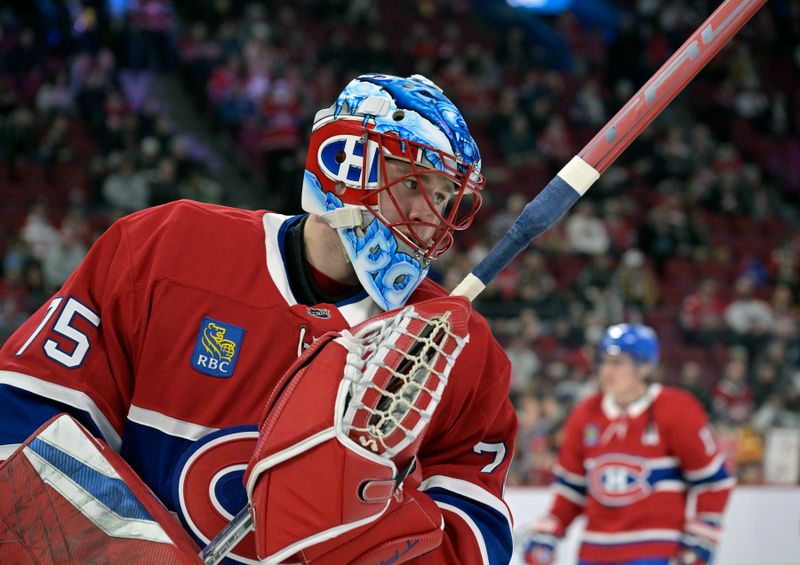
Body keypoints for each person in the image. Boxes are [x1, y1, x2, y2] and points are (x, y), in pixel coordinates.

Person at [0, 73, 516, 564]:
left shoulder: (460, 351)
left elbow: (478, 538)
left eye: (446, 199)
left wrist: (368, 520)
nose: (431, 217)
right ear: (345, 162)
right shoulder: (164, 251)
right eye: (416, 187)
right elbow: (23, 431)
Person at [523, 323, 734, 565]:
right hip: (594, 554)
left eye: (618, 362)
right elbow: (571, 490)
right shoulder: (584, 415)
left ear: (644, 366)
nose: (607, 372)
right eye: (604, 362)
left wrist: (703, 533)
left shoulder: (678, 409)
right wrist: (549, 529)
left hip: (656, 552)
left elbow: (714, 481)